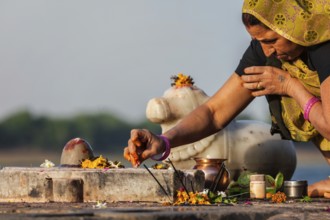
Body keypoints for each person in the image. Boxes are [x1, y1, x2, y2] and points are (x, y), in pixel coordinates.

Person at [124, 0, 330, 198]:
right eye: (259, 42)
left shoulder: (324, 46)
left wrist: (290, 86)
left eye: (271, 41)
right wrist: (164, 141)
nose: (267, 51)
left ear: (295, 25)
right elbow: (214, 113)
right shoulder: (268, 51)